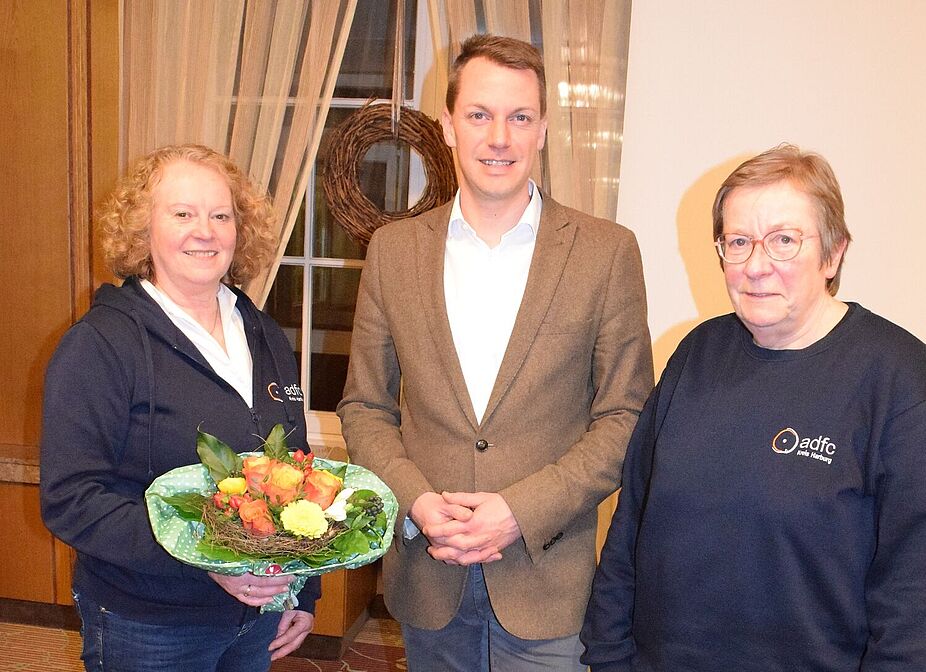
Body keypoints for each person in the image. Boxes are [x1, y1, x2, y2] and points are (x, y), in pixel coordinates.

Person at [337, 34, 653, 671]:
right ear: (449, 126)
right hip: (430, 570)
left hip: (548, 576)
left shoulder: (606, 252)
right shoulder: (394, 252)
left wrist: (519, 511)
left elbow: (626, 418)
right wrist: (420, 504)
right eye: (479, 115)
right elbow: (365, 407)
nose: (499, 137)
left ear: (542, 131)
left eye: (519, 117)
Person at [581, 144, 926, 671]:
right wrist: (608, 657)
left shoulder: (899, 380)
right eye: (738, 241)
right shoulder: (696, 353)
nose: (757, 266)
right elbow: (631, 526)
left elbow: (912, 595)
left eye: (784, 240)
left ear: (833, 254)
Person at [40, 144, 321, 672]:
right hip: (150, 624)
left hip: (257, 617)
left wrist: (303, 592)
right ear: (143, 230)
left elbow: (296, 470)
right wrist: (205, 559)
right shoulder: (99, 345)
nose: (206, 231)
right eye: (183, 214)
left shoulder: (263, 334)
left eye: (221, 215)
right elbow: (70, 498)